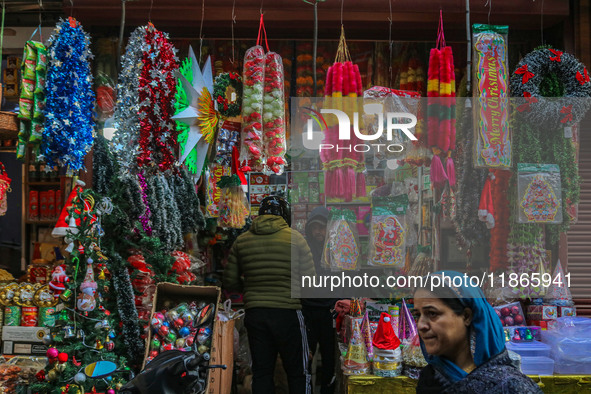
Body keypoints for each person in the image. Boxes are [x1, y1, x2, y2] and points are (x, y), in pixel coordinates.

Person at [223, 196, 315, 394]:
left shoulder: (242, 241)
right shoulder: (296, 239)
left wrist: (251, 288)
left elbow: (230, 281)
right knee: (298, 371)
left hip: (256, 314)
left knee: (262, 372)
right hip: (289, 314)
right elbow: (310, 280)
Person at [413, 271, 543, 394]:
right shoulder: (430, 378)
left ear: (466, 316)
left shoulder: (510, 387)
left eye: (432, 313)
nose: (421, 325)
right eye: (418, 315)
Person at [302, 207, 338, 394]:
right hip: (308, 311)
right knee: (305, 357)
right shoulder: (304, 248)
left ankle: (327, 390)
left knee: (330, 359)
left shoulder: (338, 249)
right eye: (314, 227)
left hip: (330, 312)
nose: (318, 231)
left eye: (322, 227)